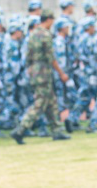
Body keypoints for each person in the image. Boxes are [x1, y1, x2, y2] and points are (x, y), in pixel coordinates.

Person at [10, 11, 72, 144]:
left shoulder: (32, 34)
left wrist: (30, 69)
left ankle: (57, 130)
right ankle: (21, 129)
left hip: (35, 71)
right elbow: (50, 57)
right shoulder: (45, 34)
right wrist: (61, 73)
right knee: (40, 103)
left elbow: (28, 56)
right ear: (48, 20)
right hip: (44, 71)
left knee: (51, 102)